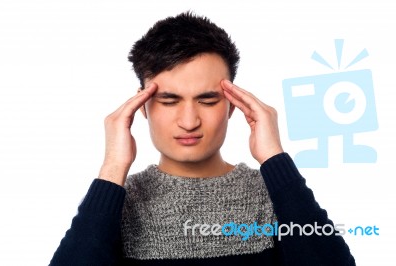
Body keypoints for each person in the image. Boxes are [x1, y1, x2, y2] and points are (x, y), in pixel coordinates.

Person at [49, 11, 356, 265]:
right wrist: (113, 167)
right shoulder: (115, 204)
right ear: (141, 105)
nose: (189, 121)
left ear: (233, 104)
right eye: (169, 101)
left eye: (207, 101)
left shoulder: (273, 196)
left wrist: (274, 158)